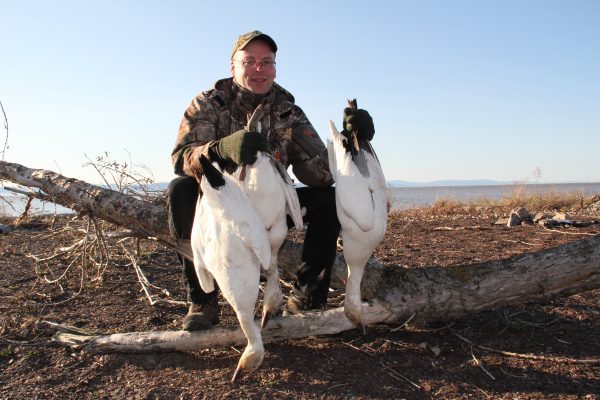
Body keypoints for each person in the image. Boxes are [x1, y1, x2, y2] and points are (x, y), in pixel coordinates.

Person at [168, 30, 375, 331]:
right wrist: (221, 150)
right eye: (249, 61)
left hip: (273, 206)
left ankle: (307, 298)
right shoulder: (209, 104)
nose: (259, 68)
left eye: (266, 62)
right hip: (222, 208)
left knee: (328, 199)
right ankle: (203, 301)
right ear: (233, 66)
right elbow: (181, 158)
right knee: (181, 190)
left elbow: (321, 174)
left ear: (275, 68)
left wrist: (351, 141)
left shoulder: (288, 112)